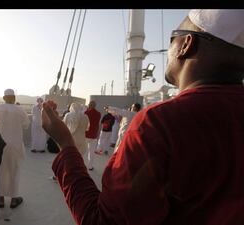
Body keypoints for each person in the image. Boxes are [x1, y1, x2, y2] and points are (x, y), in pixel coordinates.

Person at [41, 9, 244, 225]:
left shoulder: (160, 124)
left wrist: (65, 144)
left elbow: (102, 221)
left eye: (172, 38)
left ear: (186, 44)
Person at [0, 89, 30, 209]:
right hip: (15, 145)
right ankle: (13, 199)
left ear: (4, 97)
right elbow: (26, 125)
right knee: (14, 171)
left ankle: (0, 199)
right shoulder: (20, 109)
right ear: (14, 98)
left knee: (0, 171)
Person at [84, 101, 101, 170]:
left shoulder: (86, 113)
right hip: (94, 135)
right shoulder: (98, 114)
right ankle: (90, 166)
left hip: (86, 134)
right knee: (91, 152)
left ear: (89, 105)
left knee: (84, 151)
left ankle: (82, 165)